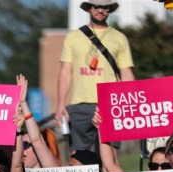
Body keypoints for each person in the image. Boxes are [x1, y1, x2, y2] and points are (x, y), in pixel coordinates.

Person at [56, 0, 134, 154]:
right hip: (79, 104)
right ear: (89, 8)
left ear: (110, 10)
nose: (100, 10)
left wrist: (130, 104)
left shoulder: (119, 38)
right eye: (97, 6)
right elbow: (65, 72)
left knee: (110, 160)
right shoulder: (73, 37)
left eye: (105, 7)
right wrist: (60, 104)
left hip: (111, 105)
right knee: (79, 158)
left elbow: (126, 73)